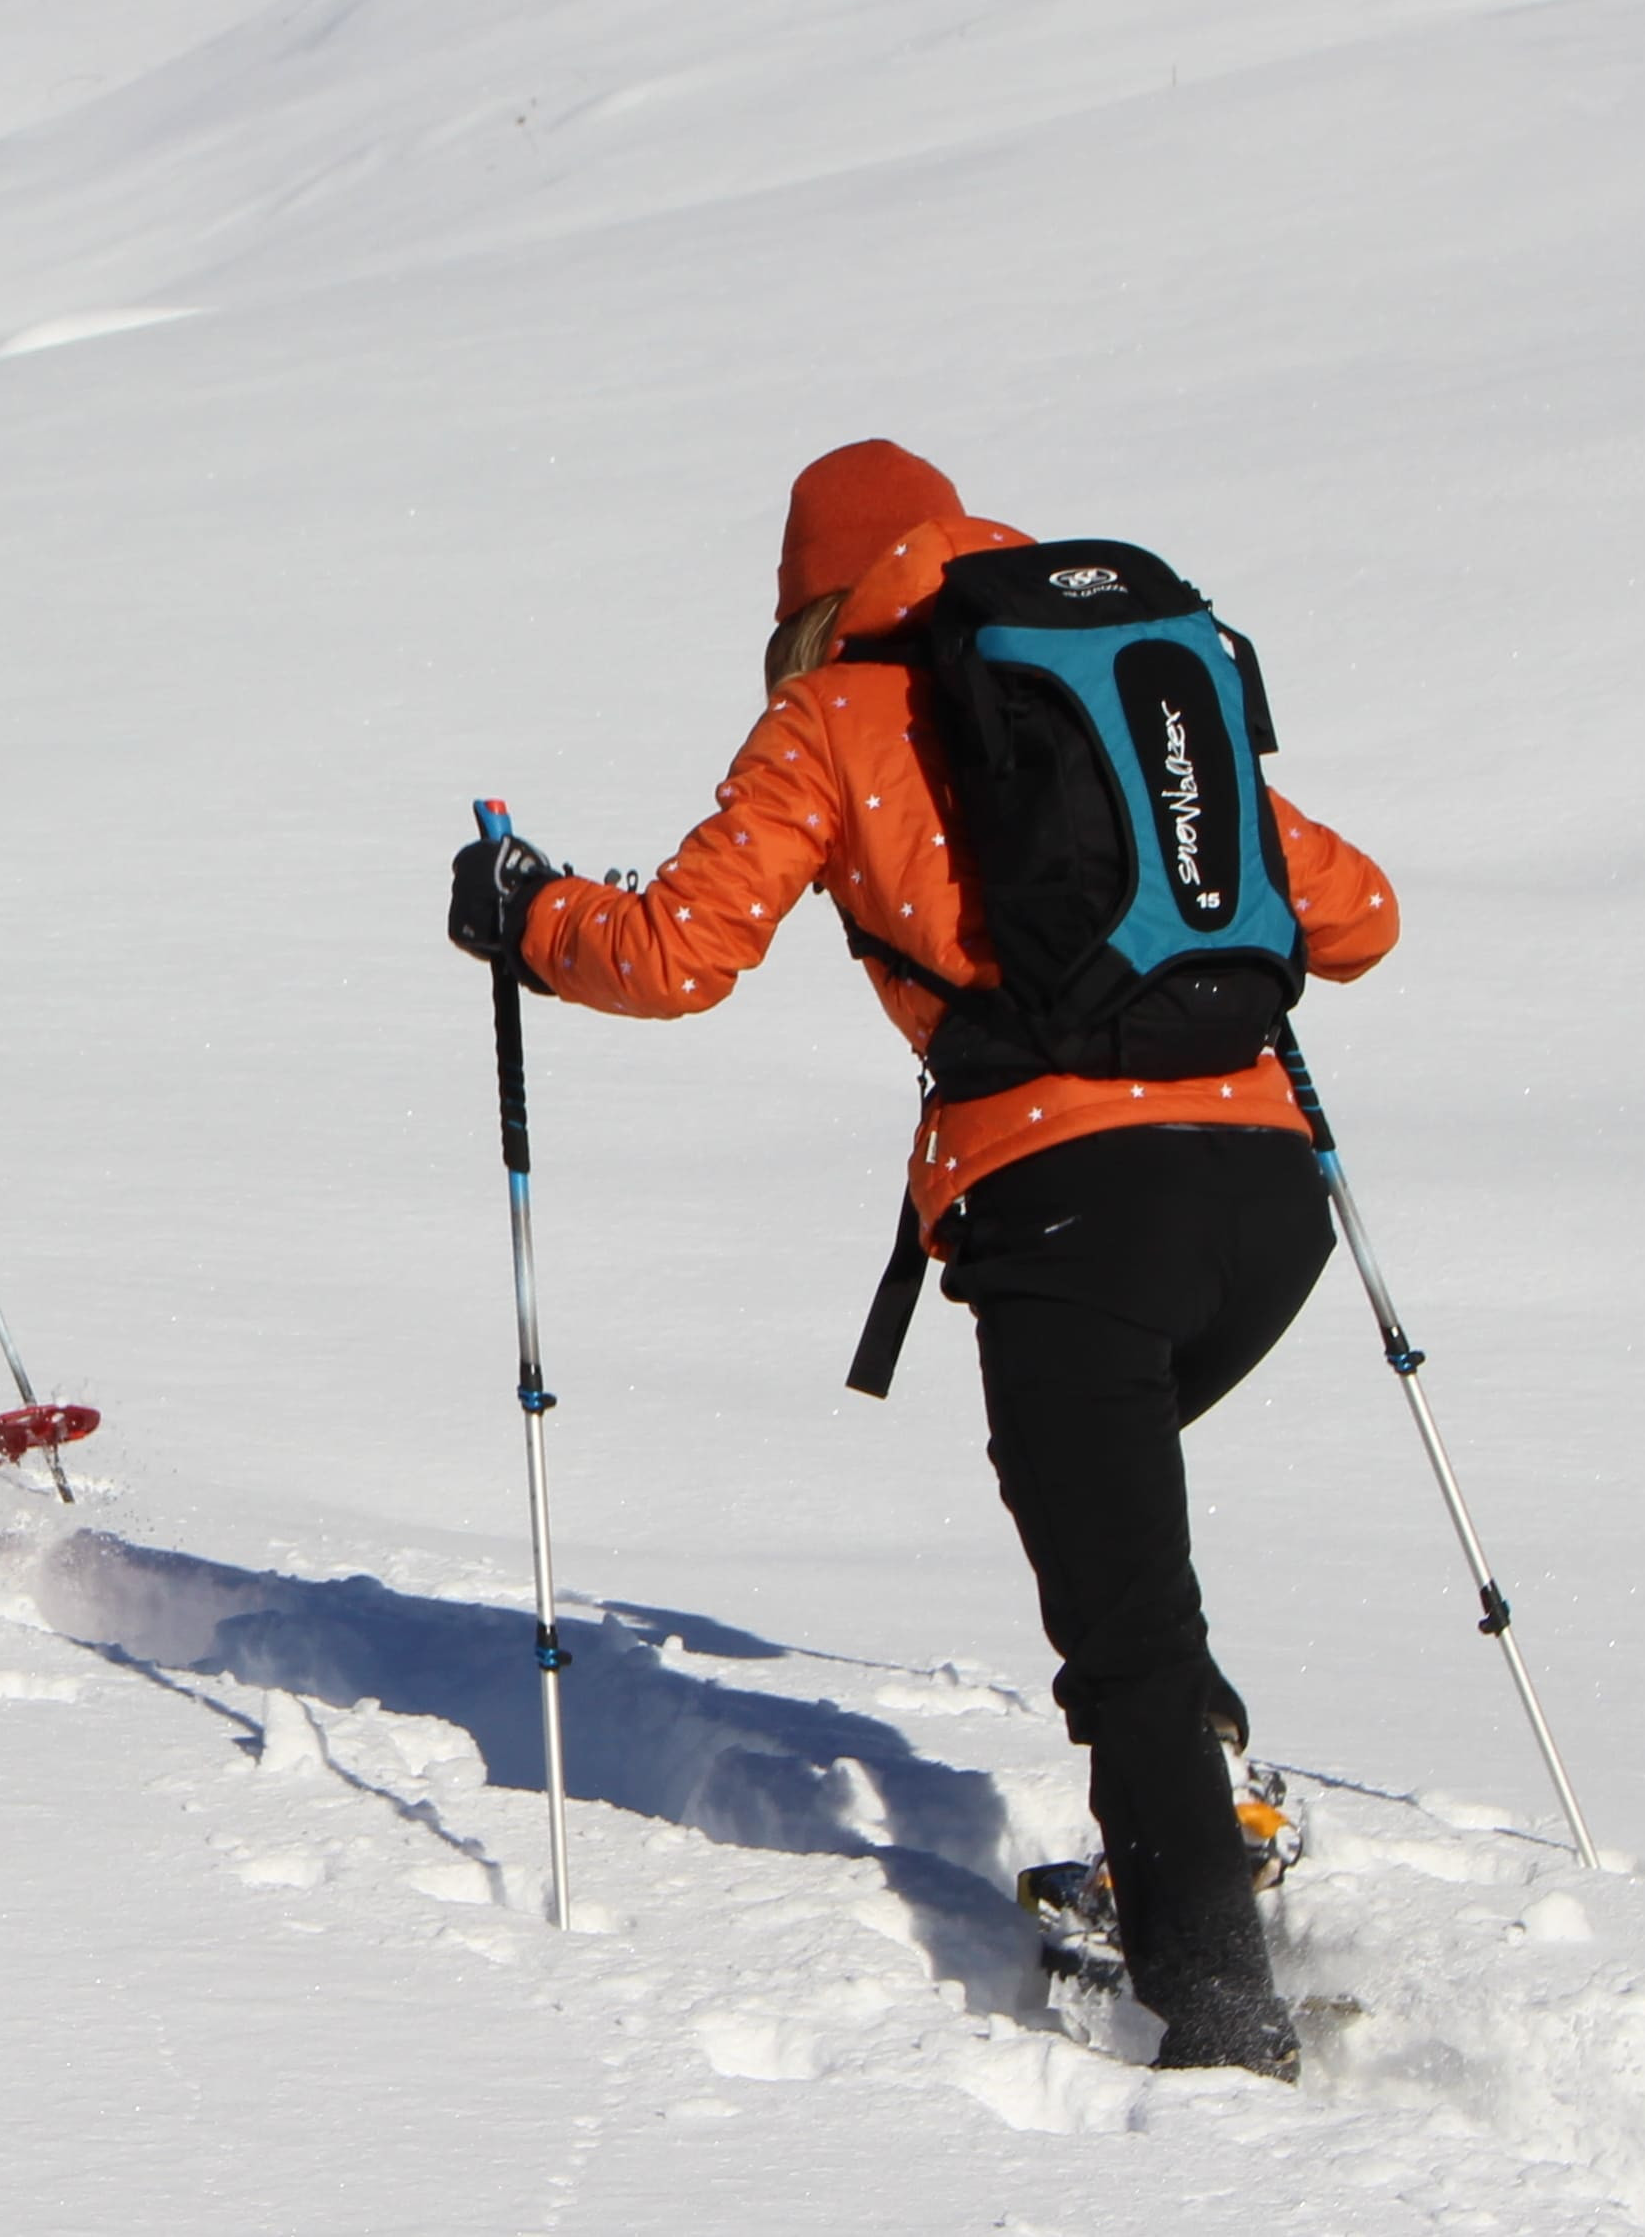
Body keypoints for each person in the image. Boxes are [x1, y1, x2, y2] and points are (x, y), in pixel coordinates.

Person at [442, 440, 1399, 2076]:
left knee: (1123, 1626)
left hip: (1071, 1215)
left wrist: (524, 911)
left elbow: (677, 953)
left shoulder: (831, 715)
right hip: (1262, 1199)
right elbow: (1357, 912)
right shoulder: (1121, 684)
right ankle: (1204, 1804)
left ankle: (1219, 2023)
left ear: (807, 598)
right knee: (1125, 1559)